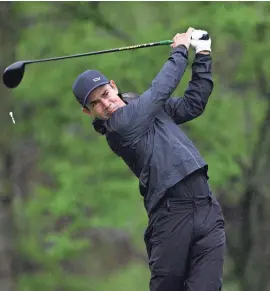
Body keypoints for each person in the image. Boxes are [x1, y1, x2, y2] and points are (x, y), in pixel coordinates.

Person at [72, 27, 226, 291]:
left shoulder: (141, 106)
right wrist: (179, 50)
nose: (106, 104)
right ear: (88, 112)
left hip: (206, 206)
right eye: (96, 103)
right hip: (170, 215)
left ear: (113, 87)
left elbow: (192, 104)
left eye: (105, 94)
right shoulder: (118, 127)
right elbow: (160, 89)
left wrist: (202, 53)